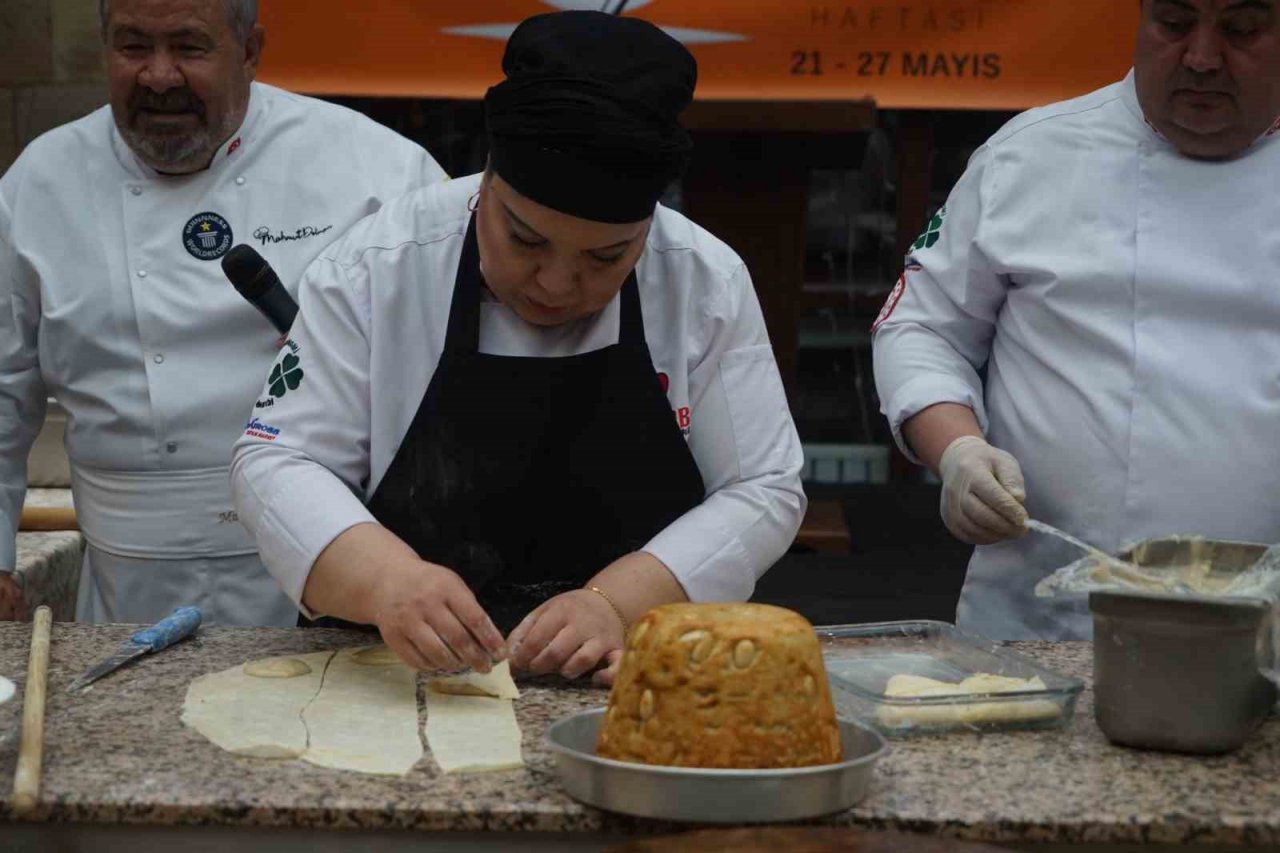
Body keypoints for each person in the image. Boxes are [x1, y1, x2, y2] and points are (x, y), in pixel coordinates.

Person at [230, 10, 806, 683]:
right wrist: (387, 579)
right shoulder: (377, 269)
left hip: (624, 679)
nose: (559, 284)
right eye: (526, 240)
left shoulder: (704, 281)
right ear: (487, 185)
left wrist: (620, 600)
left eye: (607, 257)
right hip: (397, 676)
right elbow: (275, 461)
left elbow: (764, 485)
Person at [0, 0, 447, 625]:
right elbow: (3, 391)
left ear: (250, 52)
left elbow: (447, 378)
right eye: (133, 47)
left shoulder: (379, 171)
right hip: (126, 587)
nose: (159, 76)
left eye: (188, 47)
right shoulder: (37, 184)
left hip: (334, 574)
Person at [873, 0, 1280, 640]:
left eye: (1241, 30)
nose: (1202, 58)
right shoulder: (1029, 154)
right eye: (1174, 24)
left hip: (1263, 640)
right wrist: (958, 452)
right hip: (1039, 625)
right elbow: (920, 328)